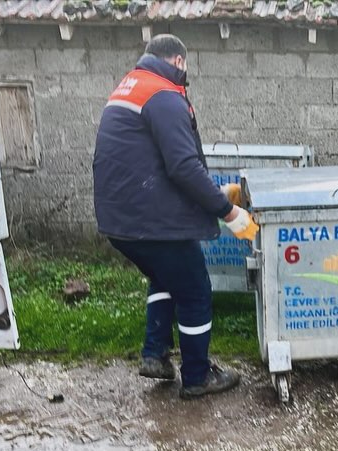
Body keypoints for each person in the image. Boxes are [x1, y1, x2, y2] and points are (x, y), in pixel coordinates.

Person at [92, 34, 258, 399]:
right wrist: (228, 212)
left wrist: (216, 193)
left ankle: (155, 355)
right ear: (179, 62)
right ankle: (197, 377)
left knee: (165, 276)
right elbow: (183, 166)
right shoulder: (164, 95)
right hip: (152, 221)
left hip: (123, 220)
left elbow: (149, 162)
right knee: (196, 290)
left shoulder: (130, 87)